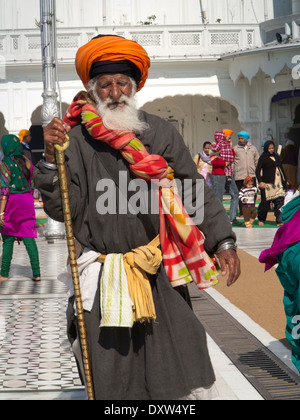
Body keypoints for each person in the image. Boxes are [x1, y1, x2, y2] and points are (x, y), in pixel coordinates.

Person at [33, 34, 240, 400]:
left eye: (122, 82)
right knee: (112, 371)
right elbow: (63, 208)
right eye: (106, 84)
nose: (115, 91)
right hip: (103, 273)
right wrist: (50, 157)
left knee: (174, 360)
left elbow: (192, 191)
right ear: (92, 89)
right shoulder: (77, 141)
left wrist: (222, 240)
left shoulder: (159, 132)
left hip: (158, 269)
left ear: (134, 85)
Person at [259, 194, 300, 372]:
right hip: (294, 251)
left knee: (293, 302)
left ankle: (298, 356)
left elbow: (286, 214)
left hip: (289, 248)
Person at [0, 134, 41, 282]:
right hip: (27, 201)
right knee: (29, 235)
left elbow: (4, 189)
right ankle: (37, 273)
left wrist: (1, 212)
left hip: (12, 202)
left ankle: (4, 274)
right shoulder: (28, 161)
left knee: (8, 237)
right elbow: (34, 182)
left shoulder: (5, 163)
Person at [256, 140, 287, 227]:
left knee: (279, 202)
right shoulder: (263, 158)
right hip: (268, 184)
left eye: (272, 148)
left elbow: (281, 168)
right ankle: (261, 218)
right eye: (269, 148)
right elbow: (257, 171)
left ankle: (279, 220)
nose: (271, 150)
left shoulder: (276, 156)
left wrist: (285, 179)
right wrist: (260, 181)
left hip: (278, 183)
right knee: (265, 204)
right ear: (266, 148)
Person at [233, 131, 259, 217]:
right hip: (240, 175)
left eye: (242, 138)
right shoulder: (235, 149)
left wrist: (259, 173)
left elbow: (257, 161)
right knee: (241, 195)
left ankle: (251, 212)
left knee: (252, 194)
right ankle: (242, 213)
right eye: (239, 138)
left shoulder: (253, 149)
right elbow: (232, 162)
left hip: (251, 175)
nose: (240, 140)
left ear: (246, 139)